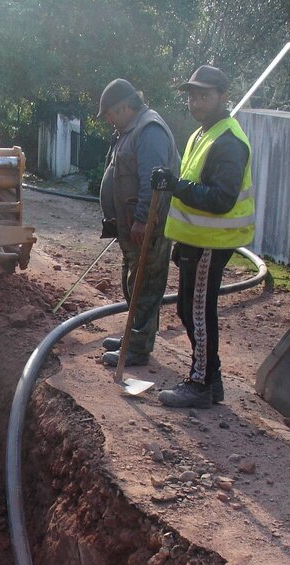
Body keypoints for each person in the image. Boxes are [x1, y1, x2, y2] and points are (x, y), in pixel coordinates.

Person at [151, 65, 255, 409]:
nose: (196, 101)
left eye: (204, 95)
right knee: (186, 309)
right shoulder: (202, 134)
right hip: (195, 242)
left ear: (223, 97)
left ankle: (199, 383)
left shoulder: (228, 141)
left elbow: (221, 199)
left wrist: (176, 185)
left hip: (212, 242)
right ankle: (212, 380)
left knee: (198, 311)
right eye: (193, 95)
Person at [96, 78, 180, 368]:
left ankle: (139, 348)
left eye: (109, 113)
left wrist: (144, 219)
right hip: (130, 227)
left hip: (147, 229)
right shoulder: (128, 130)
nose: (108, 120)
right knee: (133, 284)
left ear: (124, 106)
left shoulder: (149, 130)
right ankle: (133, 338)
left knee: (146, 286)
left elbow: (153, 181)